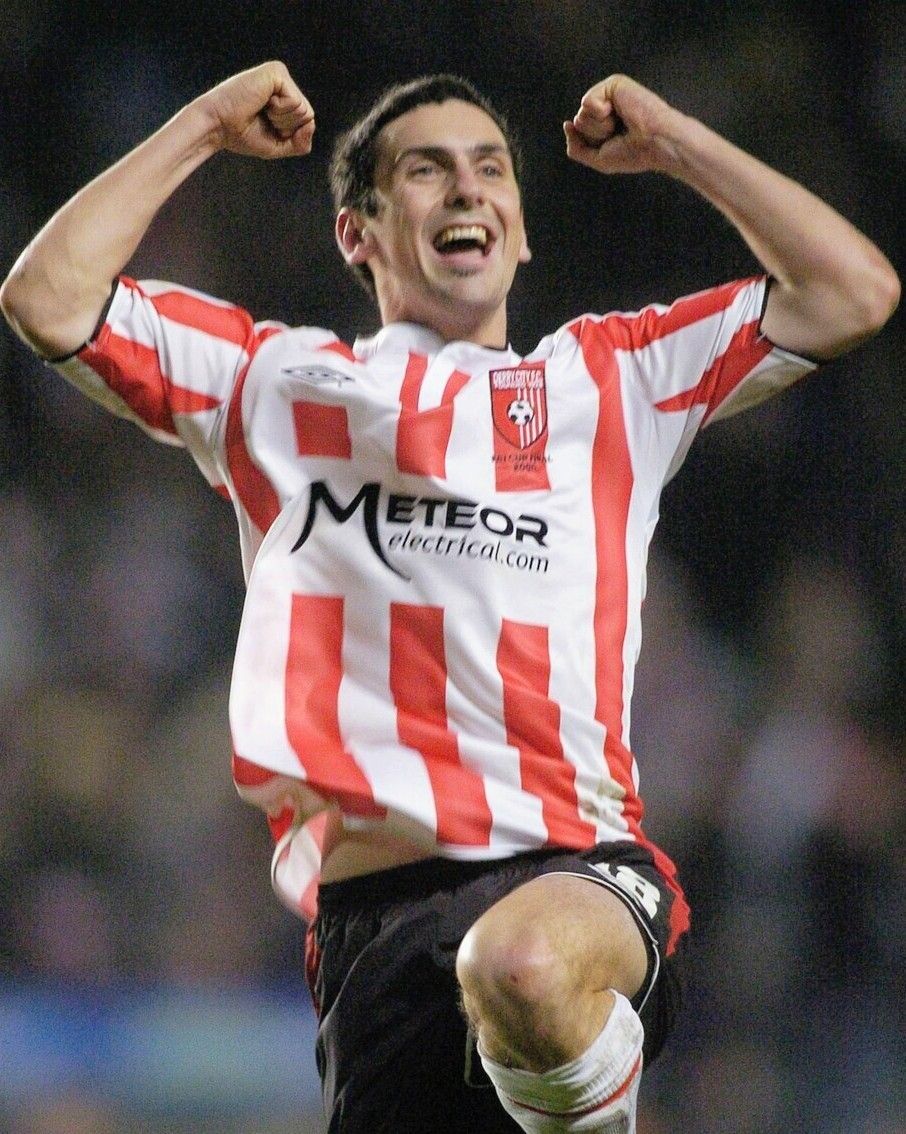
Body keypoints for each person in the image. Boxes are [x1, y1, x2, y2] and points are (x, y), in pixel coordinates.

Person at [1, 61, 897, 1134]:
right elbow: (47, 297)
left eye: (490, 171)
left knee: (518, 965)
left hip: (574, 874)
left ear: (521, 233)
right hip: (373, 939)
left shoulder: (607, 379)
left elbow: (853, 291)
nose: (468, 189)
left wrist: (679, 143)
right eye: (426, 170)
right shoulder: (272, 383)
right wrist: (198, 126)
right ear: (358, 233)